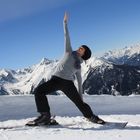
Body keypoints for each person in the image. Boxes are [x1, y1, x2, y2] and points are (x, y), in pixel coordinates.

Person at [27, 12, 105, 126]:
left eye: (82, 49)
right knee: (39, 91)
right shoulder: (69, 51)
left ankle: (91, 116)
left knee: (79, 103)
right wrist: (64, 22)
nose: (80, 47)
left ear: (84, 54)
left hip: (67, 83)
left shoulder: (79, 66)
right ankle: (45, 116)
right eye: (81, 47)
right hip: (55, 80)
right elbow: (66, 36)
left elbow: (79, 82)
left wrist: (80, 97)